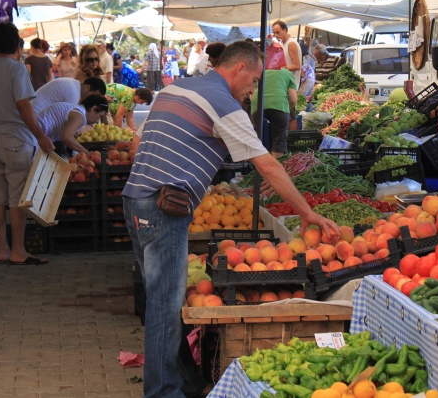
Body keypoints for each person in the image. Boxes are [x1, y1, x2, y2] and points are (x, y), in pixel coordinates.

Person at [122, 41, 340, 398]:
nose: (252, 90)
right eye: (254, 81)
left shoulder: (177, 87)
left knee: (162, 301)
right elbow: (267, 165)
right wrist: (306, 211)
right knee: (165, 306)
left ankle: (186, 384)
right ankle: (162, 392)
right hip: (163, 209)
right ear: (239, 70)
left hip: (136, 200)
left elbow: (143, 145)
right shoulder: (223, 103)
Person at [0, 24, 54, 266]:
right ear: (18, 46)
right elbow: (24, 105)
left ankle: (3, 249)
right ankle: (18, 250)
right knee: (17, 198)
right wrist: (40, 135)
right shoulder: (17, 70)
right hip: (16, 140)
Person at [37, 94, 110, 154]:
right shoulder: (79, 115)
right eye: (99, 116)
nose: (97, 121)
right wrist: (87, 153)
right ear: (93, 108)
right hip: (31, 136)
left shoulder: (76, 110)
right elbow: (66, 138)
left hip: (33, 135)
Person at [252, 68, 298, 158]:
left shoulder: (260, 72)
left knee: (259, 139)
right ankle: (275, 167)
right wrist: (285, 109)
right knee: (279, 141)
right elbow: (293, 99)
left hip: (258, 105)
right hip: (279, 106)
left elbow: (251, 94)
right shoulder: (287, 73)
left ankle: (260, 170)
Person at [32, 76, 106, 113]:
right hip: (33, 117)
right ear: (87, 87)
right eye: (95, 95)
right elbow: (67, 120)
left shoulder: (73, 85)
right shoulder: (74, 93)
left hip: (34, 115)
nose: (94, 99)